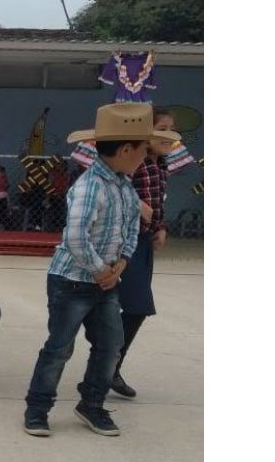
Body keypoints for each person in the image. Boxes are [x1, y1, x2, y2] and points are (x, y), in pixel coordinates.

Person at [23, 103, 179, 437]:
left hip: (106, 281)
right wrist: (99, 270)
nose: (144, 156)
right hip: (72, 282)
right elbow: (76, 237)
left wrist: (120, 264)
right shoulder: (90, 186)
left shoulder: (124, 186)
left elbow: (128, 232)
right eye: (141, 149)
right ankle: (37, 408)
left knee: (110, 346)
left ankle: (91, 404)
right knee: (59, 348)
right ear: (126, 149)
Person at [107, 107, 177, 399]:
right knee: (136, 306)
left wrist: (160, 227)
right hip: (126, 242)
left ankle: (109, 364)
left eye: (173, 130)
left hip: (144, 240)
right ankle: (107, 363)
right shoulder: (134, 163)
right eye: (161, 128)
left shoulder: (160, 166)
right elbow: (115, 187)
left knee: (134, 306)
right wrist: (138, 206)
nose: (169, 135)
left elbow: (156, 204)